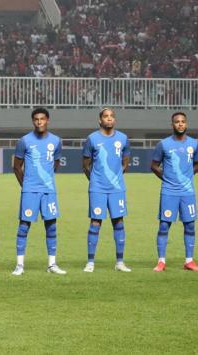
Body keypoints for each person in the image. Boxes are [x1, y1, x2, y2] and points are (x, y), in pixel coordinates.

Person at [12, 107, 66, 276]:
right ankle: (19, 265)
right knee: (23, 226)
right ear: (33, 121)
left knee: (51, 226)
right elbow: (16, 166)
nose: (39, 122)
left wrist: (46, 180)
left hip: (49, 191)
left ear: (47, 120)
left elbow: (55, 163)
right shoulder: (24, 141)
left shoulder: (56, 141)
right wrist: (26, 185)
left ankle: (52, 264)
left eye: (42, 119)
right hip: (30, 191)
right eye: (36, 119)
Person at [151, 112, 198, 272]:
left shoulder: (194, 144)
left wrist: (186, 179)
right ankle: (161, 261)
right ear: (172, 124)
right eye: (177, 122)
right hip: (169, 192)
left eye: (182, 122)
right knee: (164, 226)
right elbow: (154, 165)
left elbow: (196, 164)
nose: (180, 124)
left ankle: (189, 261)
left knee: (190, 225)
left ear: (186, 124)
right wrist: (167, 178)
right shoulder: (163, 144)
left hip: (188, 192)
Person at [81, 108, 131, 273]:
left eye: (111, 116)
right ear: (100, 120)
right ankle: (90, 262)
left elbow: (125, 161)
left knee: (119, 222)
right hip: (97, 189)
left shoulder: (123, 138)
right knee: (95, 223)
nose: (109, 119)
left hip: (117, 189)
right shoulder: (92, 139)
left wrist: (115, 177)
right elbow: (86, 164)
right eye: (105, 116)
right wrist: (96, 180)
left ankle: (120, 262)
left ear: (114, 120)